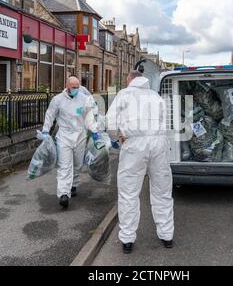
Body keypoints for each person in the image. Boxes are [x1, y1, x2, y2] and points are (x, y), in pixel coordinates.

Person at [106, 70, 174, 254]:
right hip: (158, 142)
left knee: (129, 192)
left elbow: (110, 121)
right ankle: (166, 235)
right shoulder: (156, 96)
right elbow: (167, 121)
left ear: (130, 79)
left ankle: (127, 239)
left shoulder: (124, 94)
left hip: (135, 143)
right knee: (162, 190)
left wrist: (116, 137)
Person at [42, 76, 99, 208]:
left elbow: (89, 117)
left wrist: (95, 131)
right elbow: (50, 115)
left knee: (78, 164)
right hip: (64, 136)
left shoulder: (84, 99)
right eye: (74, 87)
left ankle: (73, 184)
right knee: (64, 166)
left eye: (78, 87)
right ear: (67, 86)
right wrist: (45, 130)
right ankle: (63, 194)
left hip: (80, 135)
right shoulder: (58, 100)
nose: (76, 90)